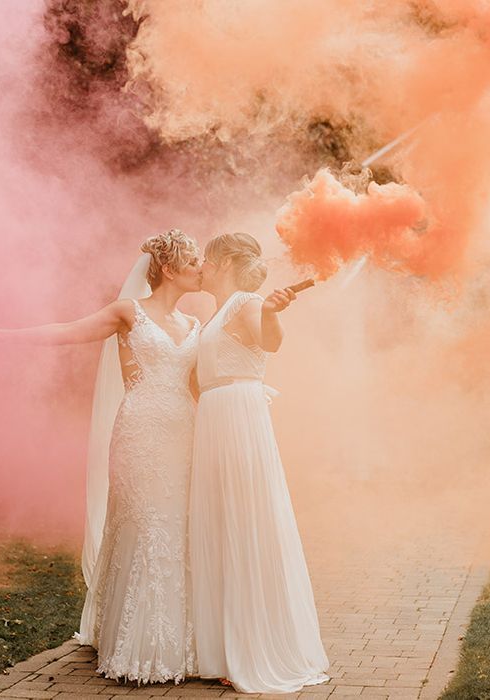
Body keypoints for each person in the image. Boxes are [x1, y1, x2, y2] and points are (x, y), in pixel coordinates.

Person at [0, 229, 202, 683]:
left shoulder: (196, 326)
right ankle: (135, 645)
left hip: (184, 433)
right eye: (194, 261)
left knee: (177, 528)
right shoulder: (127, 313)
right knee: (144, 525)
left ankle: (178, 643)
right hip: (140, 432)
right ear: (171, 269)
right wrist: (4, 335)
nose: (202, 268)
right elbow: (68, 332)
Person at [189, 232, 329, 693]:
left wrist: (271, 313)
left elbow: (270, 343)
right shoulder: (216, 311)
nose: (200, 269)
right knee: (221, 524)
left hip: (236, 415)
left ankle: (253, 648)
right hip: (216, 415)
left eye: (206, 261)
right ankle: (226, 646)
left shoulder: (247, 302)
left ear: (224, 262)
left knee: (243, 522)